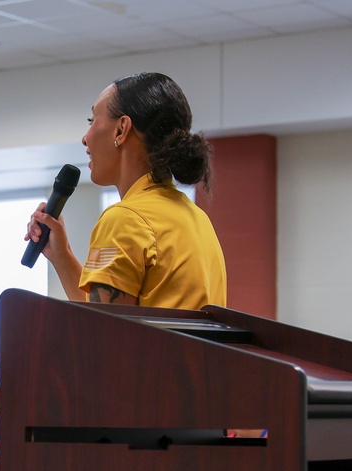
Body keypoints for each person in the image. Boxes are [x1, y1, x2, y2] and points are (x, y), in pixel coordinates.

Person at [25, 72, 227, 309]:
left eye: (92, 121)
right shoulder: (196, 219)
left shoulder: (126, 219)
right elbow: (114, 321)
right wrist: (62, 256)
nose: (84, 138)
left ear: (121, 130)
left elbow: (105, 333)